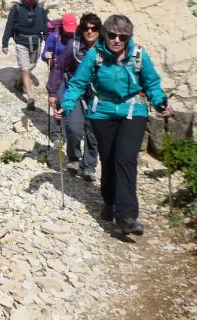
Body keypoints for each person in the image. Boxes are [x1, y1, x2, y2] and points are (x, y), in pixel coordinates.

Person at [55, 14, 171, 235]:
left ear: (129, 37)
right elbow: (78, 83)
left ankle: (126, 216)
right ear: (105, 34)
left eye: (123, 36)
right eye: (112, 35)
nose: (117, 40)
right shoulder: (95, 55)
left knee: (125, 160)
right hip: (102, 113)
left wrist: (160, 102)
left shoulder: (138, 55)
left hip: (133, 111)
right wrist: (66, 105)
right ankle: (109, 202)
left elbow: (152, 83)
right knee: (108, 160)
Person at [47, 13, 100, 181]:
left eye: (94, 28)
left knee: (93, 130)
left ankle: (89, 166)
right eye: (86, 28)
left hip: (97, 94)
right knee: (74, 127)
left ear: (100, 30)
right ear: (81, 29)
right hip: (73, 90)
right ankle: (74, 158)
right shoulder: (73, 45)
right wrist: (53, 91)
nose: (90, 31)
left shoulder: (106, 48)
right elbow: (59, 67)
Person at [2, 0, 48, 110]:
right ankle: (30, 98)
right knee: (26, 70)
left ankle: (18, 82)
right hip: (21, 42)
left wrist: (48, 39)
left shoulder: (40, 8)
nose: (31, 1)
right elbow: (9, 26)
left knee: (30, 67)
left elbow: (46, 25)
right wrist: (5, 43)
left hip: (36, 42)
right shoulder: (16, 8)